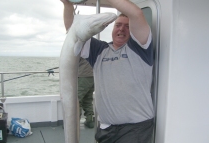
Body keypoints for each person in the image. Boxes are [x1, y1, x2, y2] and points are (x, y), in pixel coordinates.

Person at [60, 0, 154, 142]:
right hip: (106, 129)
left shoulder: (141, 48)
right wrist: (67, 5)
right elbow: (72, 30)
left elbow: (137, 13)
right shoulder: (99, 50)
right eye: (118, 25)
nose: (121, 29)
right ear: (112, 28)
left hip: (135, 129)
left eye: (127, 26)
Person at [78, 57, 95, 128]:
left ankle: (74, 123)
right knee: (88, 99)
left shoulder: (80, 48)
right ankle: (89, 120)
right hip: (93, 76)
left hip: (83, 75)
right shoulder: (92, 47)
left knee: (76, 100)